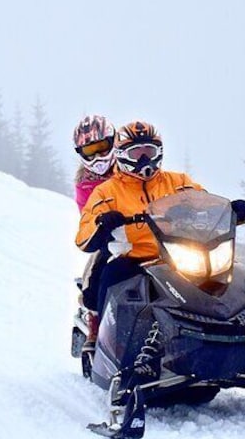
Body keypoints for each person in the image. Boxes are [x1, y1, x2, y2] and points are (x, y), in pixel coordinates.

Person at [75, 121, 205, 360]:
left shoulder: (178, 181)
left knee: (227, 274)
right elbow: (84, 234)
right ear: (123, 155)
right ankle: (107, 341)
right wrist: (102, 223)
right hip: (133, 258)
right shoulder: (106, 191)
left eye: (149, 151)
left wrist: (232, 210)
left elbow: (202, 200)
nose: (144, 159)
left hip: (176, 253)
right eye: (137, 153)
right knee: (109, 278)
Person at [72, 115, 117, 353]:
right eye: (91, 151)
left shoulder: (129, 166)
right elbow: (87, 217)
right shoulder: (85, 184)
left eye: (102, 148)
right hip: (110, 239)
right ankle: (95, 325)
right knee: (97, 273)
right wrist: (103, 223)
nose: (98, 157)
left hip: (147, 234)